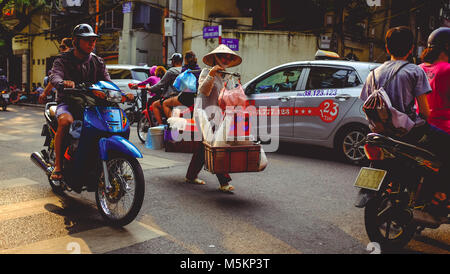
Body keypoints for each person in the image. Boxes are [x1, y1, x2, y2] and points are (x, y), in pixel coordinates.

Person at [360, 26, 450, 222]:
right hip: (408, 132)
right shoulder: (413, 71)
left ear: (386, 46)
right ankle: (437, 197)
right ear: (411, 48)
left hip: (380, 132)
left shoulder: (373, 74)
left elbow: (365, 103)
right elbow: (425, 112)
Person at [48, 24, 132, 181]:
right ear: (76, 42)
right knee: (66, 122)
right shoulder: (62, 60)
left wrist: (121, 94)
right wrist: (63, 83)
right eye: (87, 40)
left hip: (93, 104)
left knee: (116, 124)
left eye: (93, 40)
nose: (91, 43)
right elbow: (55, 76)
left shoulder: (97, 61)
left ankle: (112, 164)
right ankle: (58, 166)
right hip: (68, 102)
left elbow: (107, 81)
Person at [185, 44, 242, 192]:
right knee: (215, 147)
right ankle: (224, 181)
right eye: (223, 56)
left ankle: (191, 175)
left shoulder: (226, 77)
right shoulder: (205, 72)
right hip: (203, 114)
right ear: (215, 58)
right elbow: (203, 90)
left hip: (217, 116)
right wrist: (211, 74)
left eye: (229, 58)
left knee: (202, 148)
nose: (226, 59)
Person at [419, 27, 450, 133]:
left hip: (420, 128)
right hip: (444, 129)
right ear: (447, 47)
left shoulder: (418, 68)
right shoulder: (447, 69)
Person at [162, 51, 201, 118]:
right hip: (196, 97)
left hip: (185, 98)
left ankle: (172, 123)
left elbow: (179, 85)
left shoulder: (184, 70)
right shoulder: (199, 69)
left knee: (165, 103)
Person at [146, 53, 183, 125]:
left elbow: (160, 84)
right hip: (183, 96)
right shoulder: (184, 70)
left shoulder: (171, 71)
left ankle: (161, 125)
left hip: (173, 97)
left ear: (173, 61)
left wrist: (150, 88)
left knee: (155, 105)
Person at [39, 38, 72, 104]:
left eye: (62, 47)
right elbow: (54, 78)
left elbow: (53, 80)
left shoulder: (62, 60)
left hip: (66, 99)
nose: (61, 50)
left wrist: (45, 93)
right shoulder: (61, 60)